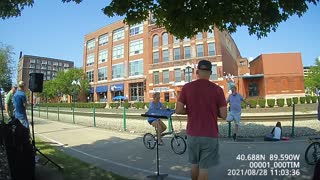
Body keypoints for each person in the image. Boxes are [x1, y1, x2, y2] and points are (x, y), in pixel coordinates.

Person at [176, 60, 227, 180]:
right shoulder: (217, 90)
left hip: (192, 134)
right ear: (210, 72)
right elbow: (224, 114)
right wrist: (214, 111)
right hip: (210, 135)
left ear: (197, 71)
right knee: (204, 169)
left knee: (194, 165)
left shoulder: (187, 88)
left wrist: (189, 110)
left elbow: (178, 110)